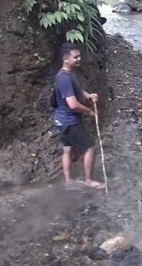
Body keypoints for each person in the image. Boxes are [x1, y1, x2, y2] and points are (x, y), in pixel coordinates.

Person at [53, 43, 105, 189]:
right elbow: (73, 104)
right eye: (76, 57)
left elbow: (78, 91)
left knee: (67, 149)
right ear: (66, 59)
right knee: (90, 148)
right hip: (68, 121)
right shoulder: (64, 78)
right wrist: (90, 113)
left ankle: (69, 181)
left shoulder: (69, 74)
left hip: (63, 120)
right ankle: (89, 180)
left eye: (79, 56)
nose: (79, 59)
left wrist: (89, 96)